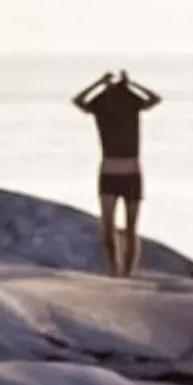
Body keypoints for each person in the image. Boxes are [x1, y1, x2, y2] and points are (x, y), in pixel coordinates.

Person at [71, 69, 162, 277]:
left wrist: (130, 85)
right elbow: (78, 101)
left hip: (130, 172)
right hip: (111, 172)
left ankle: (127, 272)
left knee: (130, 228)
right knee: (108, 227)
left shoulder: (131, 102)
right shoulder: (101, 104)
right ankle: (115, 270)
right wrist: (100, 83)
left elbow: (155, 99)